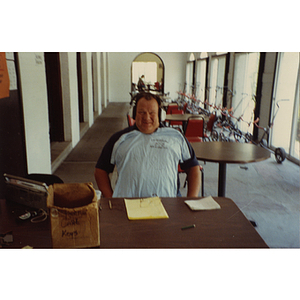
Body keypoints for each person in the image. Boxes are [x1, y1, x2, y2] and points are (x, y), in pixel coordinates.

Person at [94, 92, 201, 198]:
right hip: (127, 205)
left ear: (160, 114)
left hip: (168, 204)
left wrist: (191, 199)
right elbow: (100, 170)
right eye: (141, 112)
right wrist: (110, 198)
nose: (147, 117)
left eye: (152, 112)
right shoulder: (119, 139)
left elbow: (193, 168)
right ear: (133, 113)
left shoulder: (176, 137)